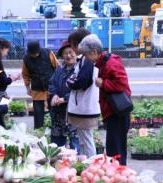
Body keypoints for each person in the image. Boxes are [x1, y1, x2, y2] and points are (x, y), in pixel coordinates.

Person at [78, 34, 132, 165]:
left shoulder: (111, 63)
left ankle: (119, 177)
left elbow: (122, 85)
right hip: (113, 112)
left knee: (116, 150)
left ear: (94, 52)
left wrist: (103, 83)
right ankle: (117, 174)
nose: (85, 58)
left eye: (86, 54)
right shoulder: (103, 63)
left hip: (118, 114)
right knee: (113, 149)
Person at [66, 29, 101, 158]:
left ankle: (91, 164)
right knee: (83, 139)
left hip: (85, 107)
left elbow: (82, 82)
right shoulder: (84, 60)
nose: (73, 49)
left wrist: (70, 83)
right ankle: (87, 163)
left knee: (86, 139)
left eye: (73, 45)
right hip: (83, 107)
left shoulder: (87, 60)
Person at [48, 41, 80, 154]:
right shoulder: (59, 70)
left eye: (71, 52)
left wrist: (65, 98)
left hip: (72, 112)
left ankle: (76, 164)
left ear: (76, 53)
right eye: (65, 53)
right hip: (58, 112)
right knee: (56, 145)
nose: (68, 55)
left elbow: (80, 90)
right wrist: (55, 95)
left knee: (75, 143)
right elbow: (51, 83)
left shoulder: (79, 70)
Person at [22, 41, 59, 129]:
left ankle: (56, 130)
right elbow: (25, 74)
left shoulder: (48, 53)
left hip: (51, 86)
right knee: (38, 114)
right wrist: (27, 87)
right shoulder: (26, 58)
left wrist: (58, 84)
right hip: (36, 88)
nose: (34, 55)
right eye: (32, 54)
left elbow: (57, 67)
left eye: (36, 53)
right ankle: (38, 131)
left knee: (54, 111)